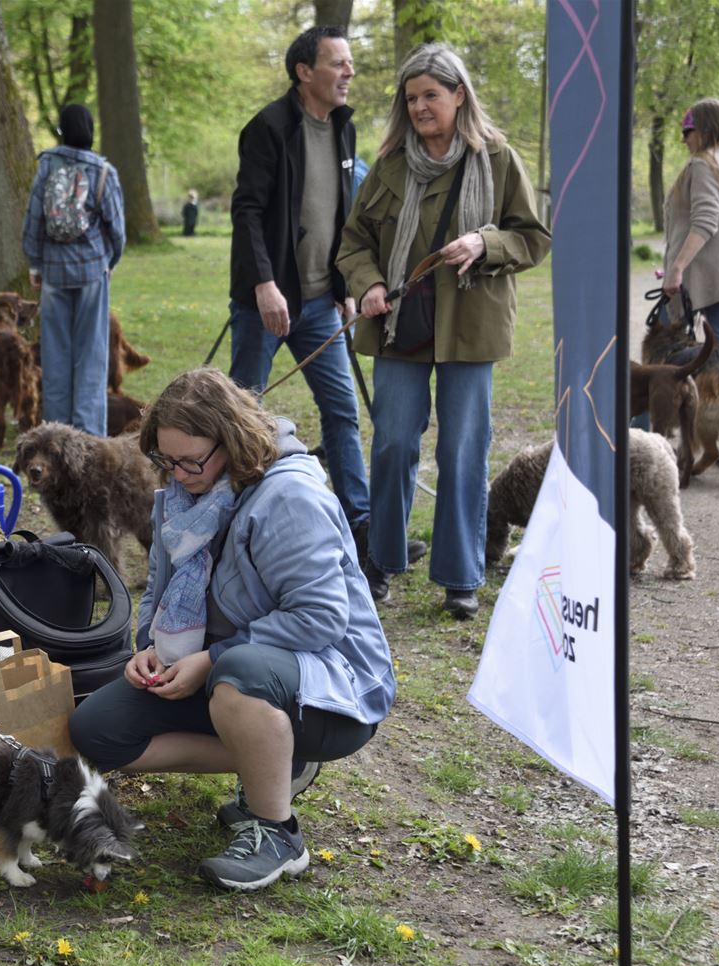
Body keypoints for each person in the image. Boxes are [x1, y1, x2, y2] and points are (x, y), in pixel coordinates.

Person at [69, 368, 395, 892]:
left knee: (239, 671)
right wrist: (149, 647)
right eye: (165, 460)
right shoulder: (181, 496)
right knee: (96, 730)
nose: (177, 474)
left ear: (232, 440)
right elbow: (159, 588)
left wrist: (212, 658)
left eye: (190, 461)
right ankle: (277, 760)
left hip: (333, 689)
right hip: (229, 675)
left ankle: (277, 834)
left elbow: (320, 617)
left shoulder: (288, 498)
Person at [336, 43, 549, 620]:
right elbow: (353, 242)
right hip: (400, 325)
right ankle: (381, 560)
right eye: (411, 98)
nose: (420, 107)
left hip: (471, 325)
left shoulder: (498, 158)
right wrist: (369, 283)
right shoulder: (390, 164)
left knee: (461, 449)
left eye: (431, 95)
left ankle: (460, 575)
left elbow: (533, 237)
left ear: (459, 95)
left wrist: (486, 242)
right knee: (393, 443)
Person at [228, 26, 378, 556]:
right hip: (265, 303)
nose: (349, 72)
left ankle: (360, 526)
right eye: (338, 63)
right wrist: (264, 284)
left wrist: (344, 286)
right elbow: (247, 211)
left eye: (349, 63)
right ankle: (232, 521)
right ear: (304, 72)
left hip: (320, 305)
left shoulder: (343, 127)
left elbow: (341, 216)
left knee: (342, 412)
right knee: (240, 414)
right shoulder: (268, 128)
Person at [22, 103, 125, 436]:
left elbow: (34, 219)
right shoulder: (103, 171)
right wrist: (110, 262)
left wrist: (35, 263)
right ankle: (88, 437)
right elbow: (117, 228)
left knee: (55, 356)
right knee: (91, 355)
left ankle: (55, 434)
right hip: (92, 272)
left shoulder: (47, 165)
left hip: (53, 272)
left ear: (62, 131)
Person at [663, 98, 719, 349]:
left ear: (705, 128)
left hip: (697, 276)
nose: (683, 140)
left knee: (663, 345)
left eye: (687, 131)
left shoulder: (704, 164)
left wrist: (677, 267)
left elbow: (705, 221)